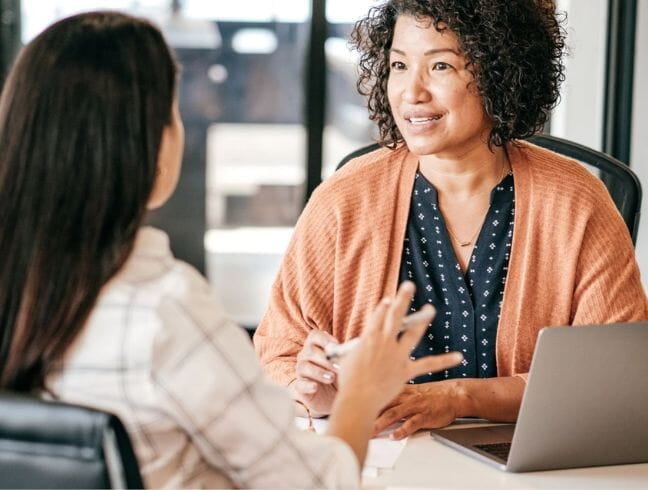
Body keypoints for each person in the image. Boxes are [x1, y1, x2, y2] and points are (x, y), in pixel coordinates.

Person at [0, 11, 463, 489]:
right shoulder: (164, 310)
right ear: (146, 143)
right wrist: (361, 396)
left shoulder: (24, 296)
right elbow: (314, 483)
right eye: (173, 110)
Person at [254, 0, 648, 440]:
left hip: (528, 464)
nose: (412, 92)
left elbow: (611, 378)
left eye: (440, 66)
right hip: (381, 459)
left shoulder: (576, 201)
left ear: (500, 72)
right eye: (399, 65)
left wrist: (460, 397)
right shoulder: (343, 199)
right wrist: (318, 392)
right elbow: (279, 354)